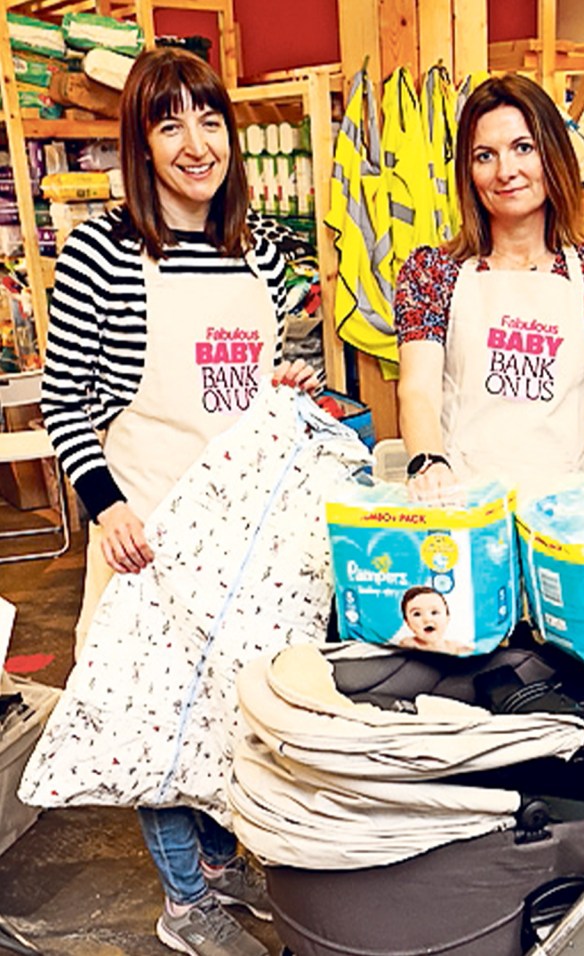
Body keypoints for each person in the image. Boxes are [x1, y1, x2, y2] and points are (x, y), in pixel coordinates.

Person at [40, 48, 319, 956]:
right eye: (170, 124)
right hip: (149, 525)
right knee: (151, 712)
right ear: (142, 142)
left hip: (241, 533)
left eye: (209, 120)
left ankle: (219, 864)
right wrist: (106, 505)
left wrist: (284, 380)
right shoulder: (103, 254)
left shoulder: (263, 252)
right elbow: (66, 398)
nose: (195, 144)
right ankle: (182, 900)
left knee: (236, 707)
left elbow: (261, 377)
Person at [394, 73, 584, 505]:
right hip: (463, 508)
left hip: (566, 515)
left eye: (523, 148)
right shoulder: (434, 272)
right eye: (485, 156)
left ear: (551, 154)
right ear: (468, 172)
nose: (506, 172)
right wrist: (428, 462)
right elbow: (418, 388)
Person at [391, 585, 462, 653]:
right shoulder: (410, 644)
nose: (427, 619)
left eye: (434, 612)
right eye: (417, 614)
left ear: (447, 617)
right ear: (407, 622)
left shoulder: (456, 647)